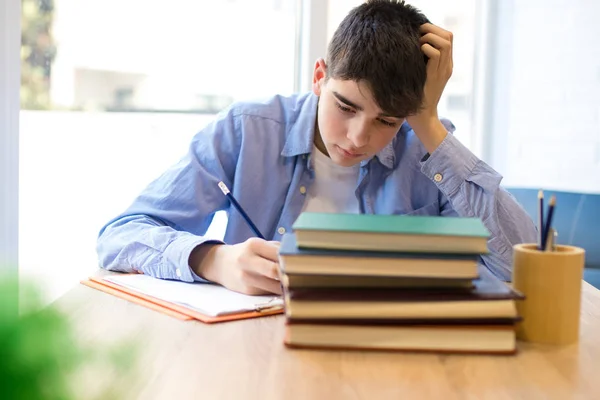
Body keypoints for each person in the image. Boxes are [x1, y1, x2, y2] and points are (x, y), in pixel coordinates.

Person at [96, 0, 536, 296]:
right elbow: (120, 235)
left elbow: (522, 267)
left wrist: (427, 121)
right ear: (319, 76)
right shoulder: (247, 130)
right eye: (346, 106)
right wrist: (213, 260)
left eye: (386, 120)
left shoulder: (425, 149)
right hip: (253, 358)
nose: (358, 137)